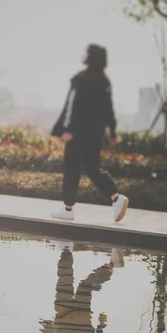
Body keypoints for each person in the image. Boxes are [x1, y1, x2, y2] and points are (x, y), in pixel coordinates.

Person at [51, 44, 129, 222]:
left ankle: (68, 209)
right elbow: (109, 110)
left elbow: (72, 106)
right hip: (95, 135)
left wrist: (65, 130)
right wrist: (113, 132)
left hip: (77, 134)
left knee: (72, 169)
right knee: (93, 170)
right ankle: (116, 197)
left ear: (90, 57)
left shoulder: (81, 79)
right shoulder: (105, 81)